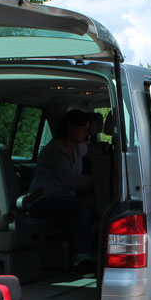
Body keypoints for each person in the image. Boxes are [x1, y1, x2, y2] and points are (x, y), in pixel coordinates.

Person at [27, 109, 94, 269]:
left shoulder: (77, 147)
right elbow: (70, 182)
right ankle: (81, 258)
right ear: (71, 127)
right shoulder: (55, 151)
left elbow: (92, 151)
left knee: (89, 205)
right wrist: (95, 181)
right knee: (81, 206)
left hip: (63, 197)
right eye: (83, 129)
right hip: (42, 199)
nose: (86, 133)